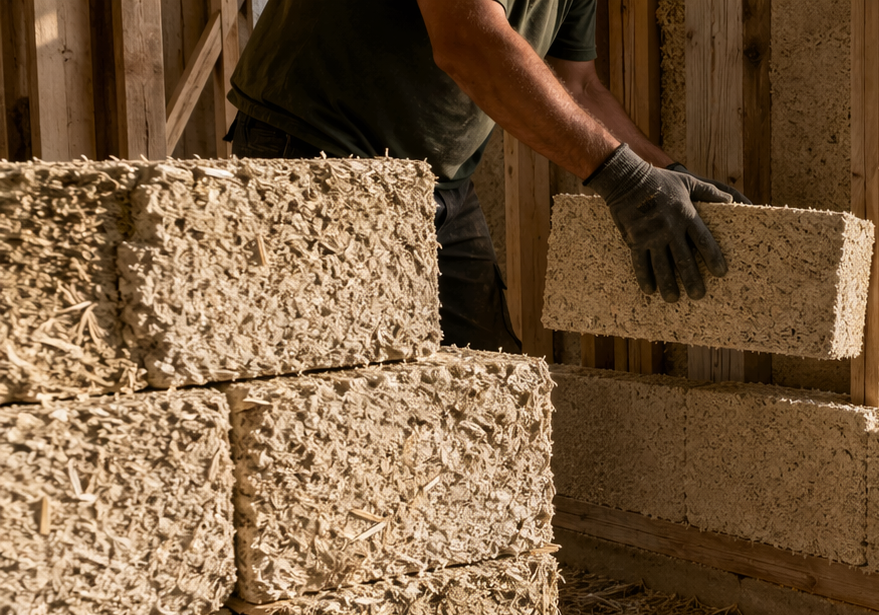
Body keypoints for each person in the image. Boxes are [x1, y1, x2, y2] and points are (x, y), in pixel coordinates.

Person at [225, 0, 745, 353]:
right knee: (332, 382)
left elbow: (578, 87)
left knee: (486, 395)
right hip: (317, 147)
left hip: (439, 182)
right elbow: (467, 39)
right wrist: (625, 181)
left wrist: (663, 173)